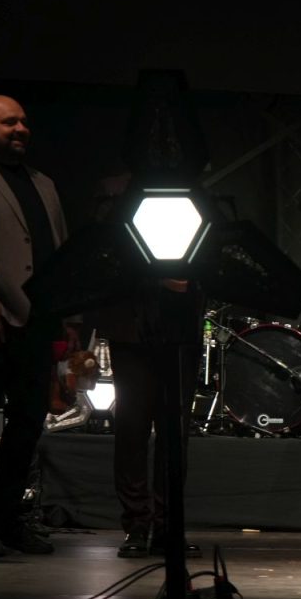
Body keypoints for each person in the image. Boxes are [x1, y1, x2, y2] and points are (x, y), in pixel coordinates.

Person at [89, 169, 205, 559]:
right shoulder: (116, 189)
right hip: (133, 327)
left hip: (180, 330)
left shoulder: (194, 189)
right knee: (133, 428)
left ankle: (168, 525)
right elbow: (105, 251)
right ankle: (138, 524)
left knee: (175, 434)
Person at [0, 94, 78, 556]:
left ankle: (10, 521)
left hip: (36, 320)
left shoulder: (43, 183)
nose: (20, 129)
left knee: (27, 424)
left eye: (24, 121)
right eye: (9, 122)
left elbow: (59, 252)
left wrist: (69, 316)